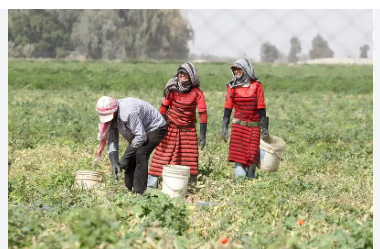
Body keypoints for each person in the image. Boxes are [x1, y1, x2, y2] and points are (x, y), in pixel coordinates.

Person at [147, 62, 208, 188]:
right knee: (161, 155)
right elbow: (163, 109)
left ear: (192, 76)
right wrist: (160, 127)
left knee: (189, 157)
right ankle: (151, 184)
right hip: (170, 127)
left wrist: (203, 134)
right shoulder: (172, 89)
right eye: (181, 73)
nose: (182, 76)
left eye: (185, 74)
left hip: (188, 130)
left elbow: (202, 113)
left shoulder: (197, 93)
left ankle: (189, 185)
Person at [94, 96, 167, 194]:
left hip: (155, 127)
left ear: (115, 110)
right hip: (139, 131)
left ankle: (139, 192)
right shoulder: (112, 118)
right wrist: (114, 161)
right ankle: (129, 188)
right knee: (131, 155)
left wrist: (125, 157)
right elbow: (112, 140)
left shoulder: (128, 112)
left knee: (141, 153)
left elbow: (141, 137)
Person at [221, 58, 269, 179]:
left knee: (252, 156)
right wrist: (224, 126)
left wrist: (265, 127)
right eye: (235, 69)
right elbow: (228, 107)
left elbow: (261, 107)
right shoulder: (232, 87)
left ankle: (251, 177)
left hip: (254, 127)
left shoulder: (257, 86)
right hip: (238, 127)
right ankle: (240, 180)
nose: (236, 71)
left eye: (239, 69)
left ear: (246, 69)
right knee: (238, 156)